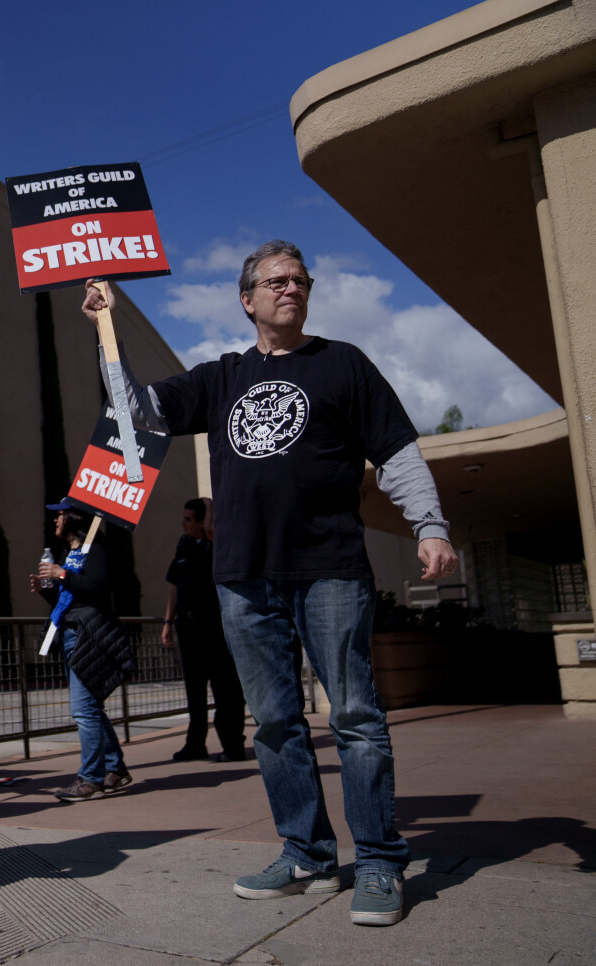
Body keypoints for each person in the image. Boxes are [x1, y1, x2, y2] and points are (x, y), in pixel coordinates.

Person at [82, 240, 458, 927]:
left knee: (354, 718)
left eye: (300, 280)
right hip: (242, 579)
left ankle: (377, 860)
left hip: (330, 569)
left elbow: (398, 452)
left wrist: (429, 525)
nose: (291, 288)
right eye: (276, 281)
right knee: (278, 725)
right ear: (247, 298)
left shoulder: (344, 363)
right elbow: (136, 412)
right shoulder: (220, 377)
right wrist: (108, 331)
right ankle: (308, 856)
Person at [31, 501, 135, 802]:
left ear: (74, 517)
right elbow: (71, 596)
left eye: (60, 514)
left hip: (87, 636)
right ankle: (115, 768)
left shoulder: (95, 549)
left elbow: (97, 586)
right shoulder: (70, 553)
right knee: (91, 708)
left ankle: (91, 778)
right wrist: (47, 587)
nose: (55, 520)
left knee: (84, 710)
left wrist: (62, 574)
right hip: (69, 631)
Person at [162, 497, 246, 763]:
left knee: (225, 689)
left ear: (201, 521)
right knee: (194, 690)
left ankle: (233, 745)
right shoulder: (183, 544)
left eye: (188, 519)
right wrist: (168, 622)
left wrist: (211, 506)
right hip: (187, 626)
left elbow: (211, 529)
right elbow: (174, 584)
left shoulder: (215, 542)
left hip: (214, 628)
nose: (182, 523)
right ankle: (195, 744)